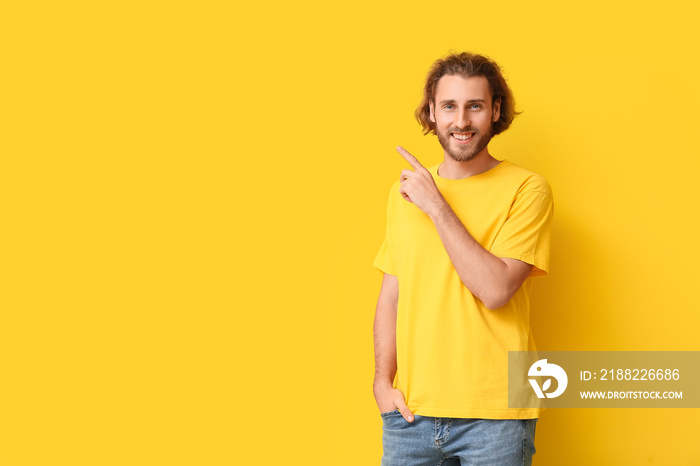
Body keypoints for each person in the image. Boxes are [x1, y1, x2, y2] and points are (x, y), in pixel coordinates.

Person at [372, 52, 553, 465]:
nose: (462, 121)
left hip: (497, 418)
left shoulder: (528, 189)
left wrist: (436, 205)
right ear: (432, 113)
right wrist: (382, 383)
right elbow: (391, 296)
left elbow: (495, 291)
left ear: (495, 110)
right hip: (410, 414)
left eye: (475, 105)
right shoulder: (404, 194)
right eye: (449, 106)